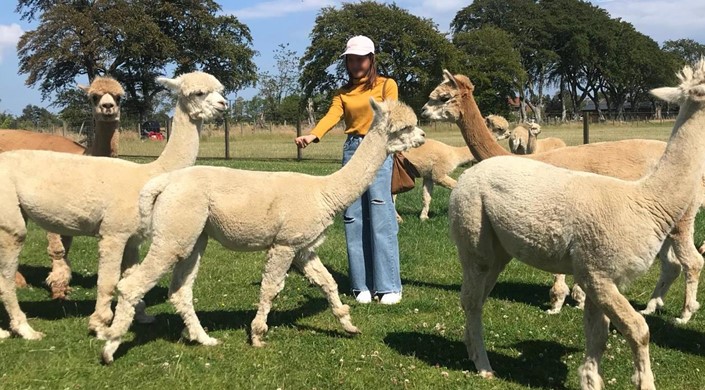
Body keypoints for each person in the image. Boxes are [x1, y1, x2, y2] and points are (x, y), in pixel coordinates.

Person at [294, 35, 402, 305]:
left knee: (380, 211)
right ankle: (360, 285)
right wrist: (313, 135)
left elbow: (392, 113)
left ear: (371, 59)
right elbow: (332, 116)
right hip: (353, 150)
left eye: (361, 58)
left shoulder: (388, 85)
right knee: (353, 217)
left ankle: (388, 286)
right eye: (351, 59)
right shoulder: (342, 94)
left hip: (377, 149)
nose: (356, 64)